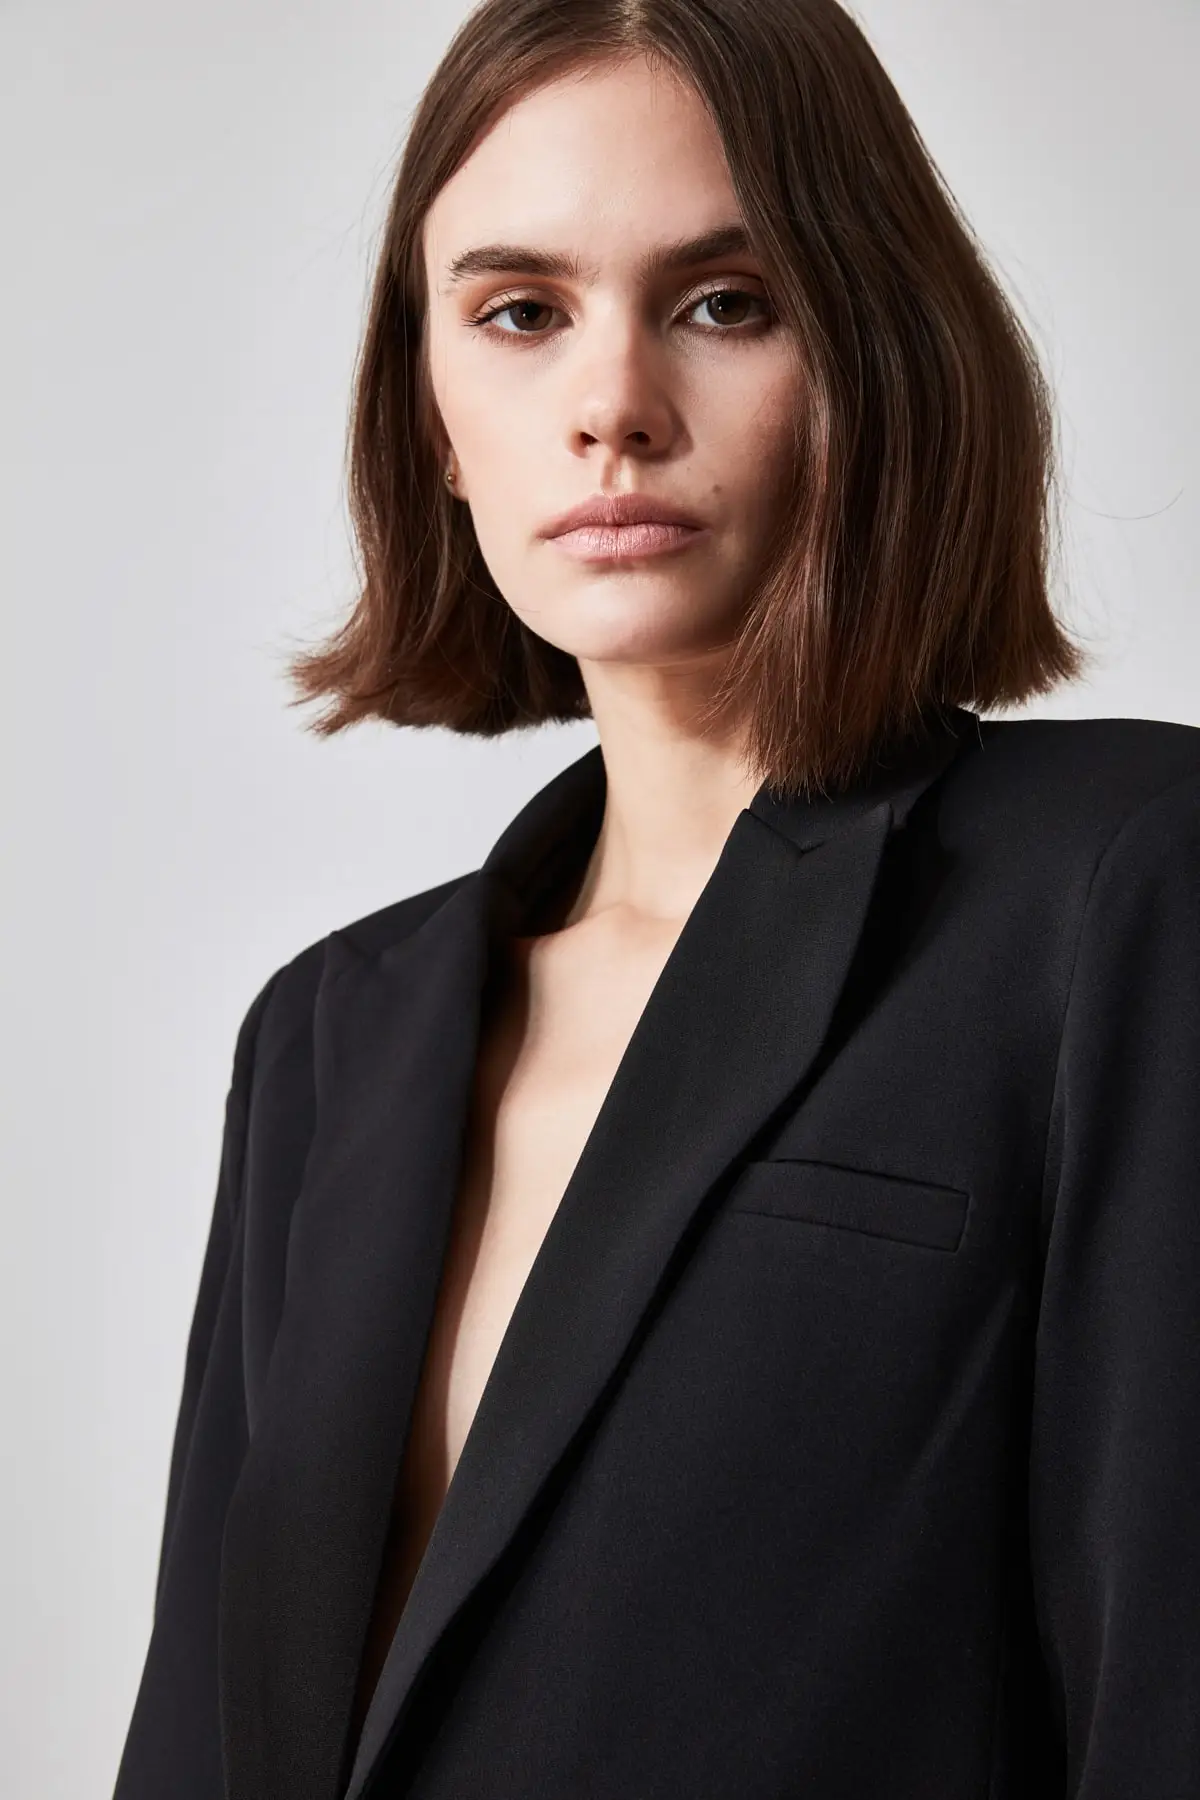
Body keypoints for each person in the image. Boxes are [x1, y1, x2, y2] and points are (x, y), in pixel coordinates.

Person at [113, 1, 1200, 1796]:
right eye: (519, 313)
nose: (611, 406)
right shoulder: (327, 1036)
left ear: (871, 354)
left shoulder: (1120, 888)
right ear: (433, 414)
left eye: (725, 302)